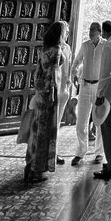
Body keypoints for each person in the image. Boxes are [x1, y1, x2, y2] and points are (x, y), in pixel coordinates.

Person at [25, 22, 65, 182]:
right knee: (45, 132)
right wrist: (52, 94)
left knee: (37, 131)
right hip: (49, 94)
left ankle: (31, 165)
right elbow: (53, 75)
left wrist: (39, 91)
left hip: (41, 92)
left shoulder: (44, 48)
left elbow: (38, 72)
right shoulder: (56, 50)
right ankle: (37, 171)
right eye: (66, 31)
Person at [71, 22, 105, 165]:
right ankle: (80, 152)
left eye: (93, 30)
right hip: (85, 86)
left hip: (98, 86)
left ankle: (99, 153)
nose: (90, 32)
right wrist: (73, 73)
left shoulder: (105, 46)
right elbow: (77, 61)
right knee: (81, 122)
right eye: (90, 30)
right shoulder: (85, 45)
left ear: (99, 32)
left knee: (99, 121)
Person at [93, 20, 111, 181]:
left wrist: (99, 94)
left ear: (103, 32)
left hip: (109, 93)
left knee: (107, 128)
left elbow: (105, 72)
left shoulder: (108, 46)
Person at [55, 27, 73, 165]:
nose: (67, 34)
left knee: (57, 123)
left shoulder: (67, 48)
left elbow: (69, 66)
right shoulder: (52, 48)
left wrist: (69, 83)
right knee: (50, 123)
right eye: (65, 32)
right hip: (52, 88)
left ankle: (53, 151)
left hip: (63, 90)